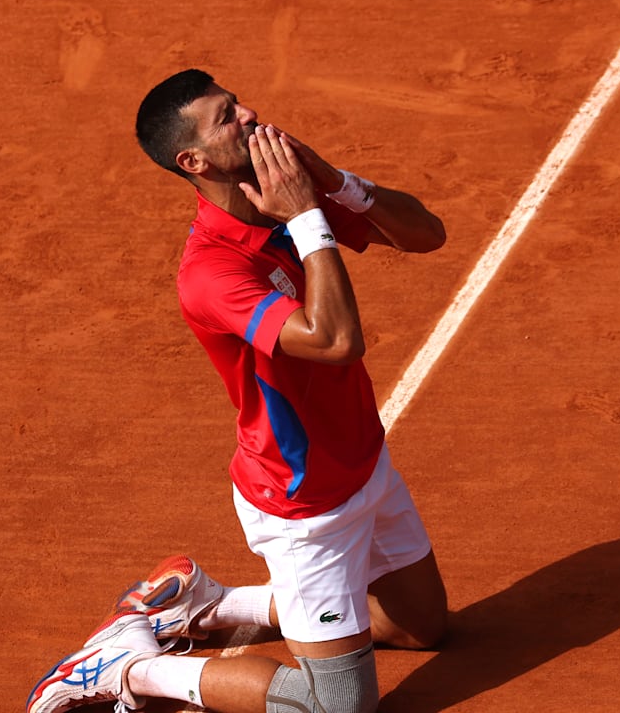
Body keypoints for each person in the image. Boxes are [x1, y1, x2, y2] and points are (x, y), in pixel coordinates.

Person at [27, 68, 448, 713]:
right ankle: (130, 668)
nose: (250, 116)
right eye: (227, 116)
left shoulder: (279, 196)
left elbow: (426, 234)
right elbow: (336, 340)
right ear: (192, 160)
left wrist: (334, 183)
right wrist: (309, 216)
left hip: (364, 461)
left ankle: (210, 606)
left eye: (238, 102)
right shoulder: (213, 271)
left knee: (422, 629)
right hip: (302, 502)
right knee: (335, 707)